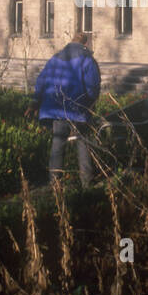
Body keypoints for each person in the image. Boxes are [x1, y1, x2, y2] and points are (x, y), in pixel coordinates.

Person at [28, 31, 101, 186]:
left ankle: (54, 185)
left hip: (56, 110)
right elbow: (93, 88)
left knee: (57, 145)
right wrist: (89, 106)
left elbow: (41, 82)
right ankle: (87, 184)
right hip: (78, 111)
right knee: (83, 144)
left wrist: (34, 103)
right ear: (85, 44)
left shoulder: (55, 58)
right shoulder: (87, 59)